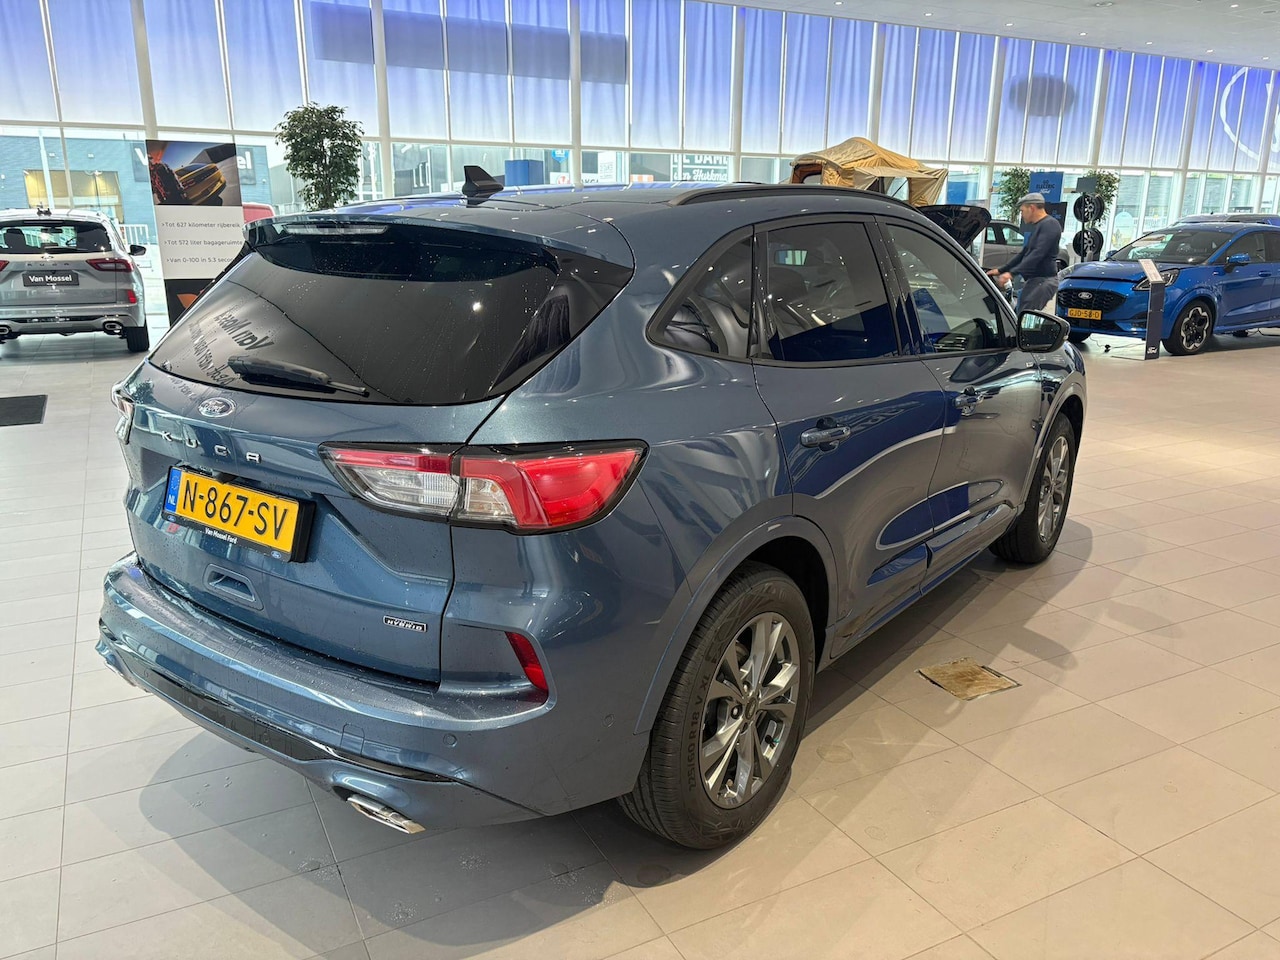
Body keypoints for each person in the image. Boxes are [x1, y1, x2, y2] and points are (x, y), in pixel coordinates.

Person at [987, 192, 1063, 313]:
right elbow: (1024, 253)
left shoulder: (1050, 225)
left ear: (1031, 208)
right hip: (1035, 281)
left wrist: (1011, 274)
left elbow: (1037, 254)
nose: (1022, 215)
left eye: (1022, 211)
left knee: (1024, 315)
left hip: (1043, 281)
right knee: (1018, 313)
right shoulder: (1040, 226)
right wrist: (1001, 270)